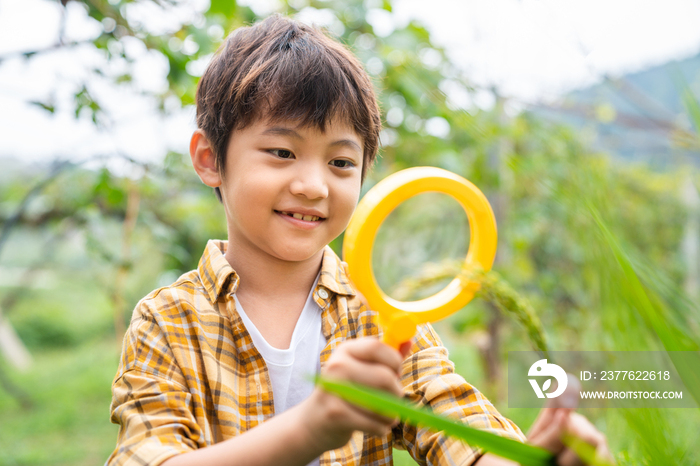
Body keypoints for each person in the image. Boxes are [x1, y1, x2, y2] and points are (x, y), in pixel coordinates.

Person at [107, 14, 612, 466]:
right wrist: (309, 430)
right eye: (282, 152)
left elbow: (459, 429)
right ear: (210, 159)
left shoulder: (381, 316)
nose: (314, 185)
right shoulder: (167, 322)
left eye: (341, 162)